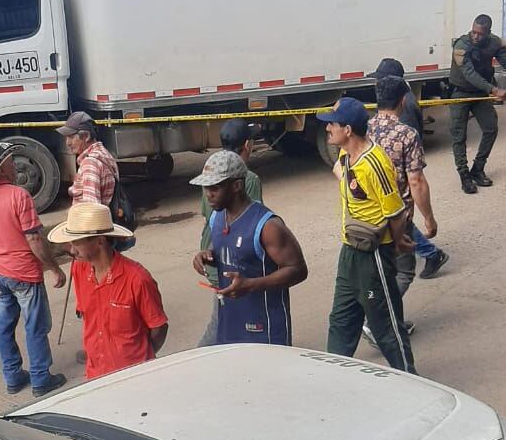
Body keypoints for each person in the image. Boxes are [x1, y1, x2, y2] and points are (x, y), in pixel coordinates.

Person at [319, 96, 415, 371]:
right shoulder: (346, 156)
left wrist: (397, 242)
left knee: (386, 328)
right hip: (349, 251)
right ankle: (333, 375)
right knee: (341, 320)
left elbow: (396, 212)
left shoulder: (376, 164)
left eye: (332, 125)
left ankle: (411, 379)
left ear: (347, 130)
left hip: (374, 257)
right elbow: (342, 172)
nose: (327, 129)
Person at [0, 140, 66, 398]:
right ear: (1, 168)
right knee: (35, 326)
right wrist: (55, 269)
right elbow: (34, 239)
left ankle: (13, 377)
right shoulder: (19, 196)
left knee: (4, 327)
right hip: (24, 273)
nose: (14, 165)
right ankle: (40, 378)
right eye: (11, 161)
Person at [190, 150, 306, 347]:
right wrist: (206, 255)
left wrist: (251, 285)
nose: (208, 194)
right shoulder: (217, 217)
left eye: (215, 187)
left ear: (236, 186)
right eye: (206, 187)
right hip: (229, 325)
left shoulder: (268, 226)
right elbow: (225, 249)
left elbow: (298, 270)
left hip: (264, 330)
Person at [48, 203, 167, 379]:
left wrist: (138, 358)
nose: (71, 250)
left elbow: (158, 327)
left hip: (134, 376)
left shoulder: (137, 279)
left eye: (76, 243)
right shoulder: (79, 270)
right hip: (95, 374)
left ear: (100, 241)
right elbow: (89, 318)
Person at [368, 75, 448, 299]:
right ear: (403, 99)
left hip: (368, 214)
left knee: (380, 269)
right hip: (397, 217)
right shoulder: (407, 134)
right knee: (403, 271)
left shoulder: (363, 129)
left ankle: (385, 318)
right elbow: (416, 181)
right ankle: (379, 321)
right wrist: (429, 219)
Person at [449, 13, 506, 195]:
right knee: (458, 135)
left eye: (480, 34)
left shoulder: (494, 42)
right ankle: (464, 174)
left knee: (490, 128)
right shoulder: (462, 45)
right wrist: (494, 89)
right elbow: (469, 73)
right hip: (460, 92)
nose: (476, 37)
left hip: (481, 94)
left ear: (488, 33)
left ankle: (478, 168)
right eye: (474, 32)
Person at [197, 119, 263, 347]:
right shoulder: (248, 179)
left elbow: (207, 217)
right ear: (247, 145)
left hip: (215, 254)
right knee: (221, 325)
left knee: (228, 319)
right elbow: (251, 224)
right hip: (229, 261)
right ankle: (200, 360)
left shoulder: (212, 173)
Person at [59, 111, 118, 206]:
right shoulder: (104, 153)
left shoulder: (90, 164)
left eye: (71, 137)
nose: (68, 143)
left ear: (86, 136)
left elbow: (91, 208)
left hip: (89, 220)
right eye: (66, 138)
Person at [369, 57, 423, 136]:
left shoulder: (405, 103)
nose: (376, 82)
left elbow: (407, 136)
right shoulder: (393, 97)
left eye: (380, 79)